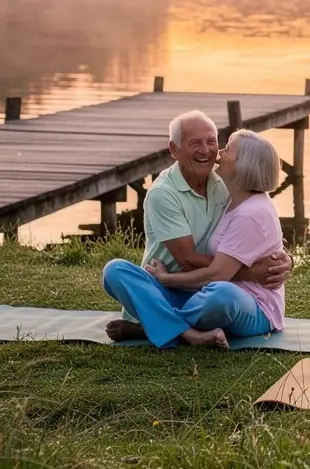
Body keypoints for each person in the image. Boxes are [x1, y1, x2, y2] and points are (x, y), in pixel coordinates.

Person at [102, 119, 289, 348]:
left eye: (216, 143)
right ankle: (188, 333)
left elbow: (259, 240)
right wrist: (251, 273)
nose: (214, 152)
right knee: (115, 270)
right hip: (184, 290)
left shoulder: (228, 189)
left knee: (221, 294)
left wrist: (286, 259)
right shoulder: (164, 193)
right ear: (174, 149)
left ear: (243, 165)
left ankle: (154, 325)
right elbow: (189, 260)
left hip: (220, 295)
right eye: (195, 143)